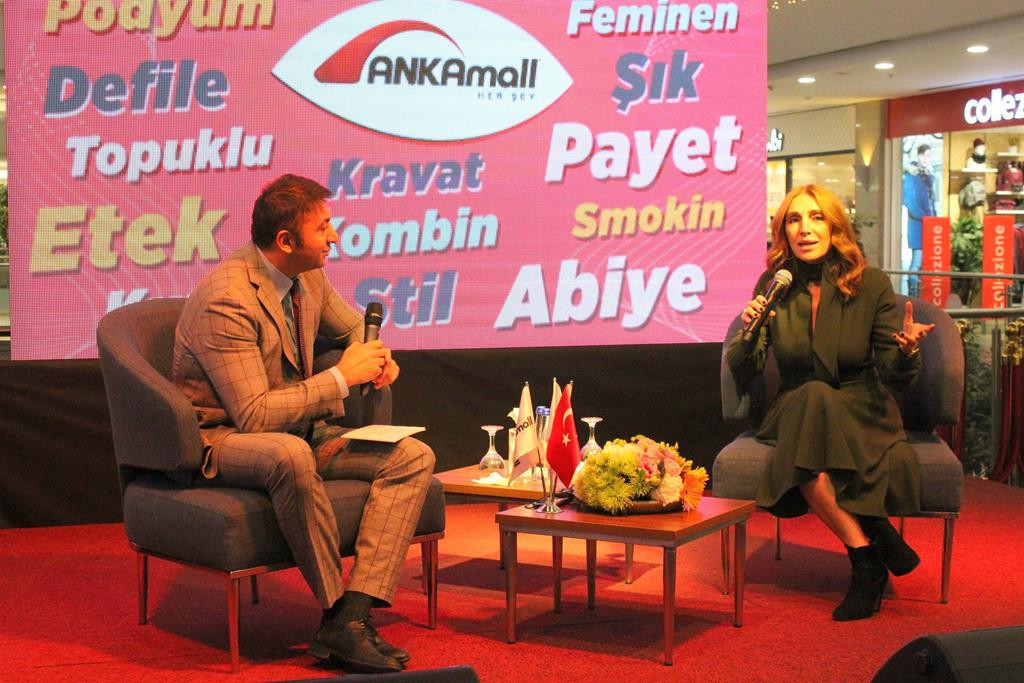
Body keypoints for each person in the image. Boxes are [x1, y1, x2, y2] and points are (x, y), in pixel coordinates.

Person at [172, 173, 435, 673]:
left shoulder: (306, 276)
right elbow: (253, 414)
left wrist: (378, 358)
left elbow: (354, 328)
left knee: (412, 456)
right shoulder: (227, 299)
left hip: (298, 429)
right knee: (288, 453)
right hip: (225, 439)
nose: (335, 236)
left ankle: (351, 616)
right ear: (286, 241)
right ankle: (336, 613)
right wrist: (341, 377)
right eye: (323, 228)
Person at [726, 184, 934, 622]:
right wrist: (749, 331)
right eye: (794, 219)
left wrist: (908, 351)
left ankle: (868, 555)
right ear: (783, 232)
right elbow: (746, 370)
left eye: (816, 217)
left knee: (812, 442)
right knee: (812, 395)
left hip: (860, 407)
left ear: (835, 226)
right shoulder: (775, 285)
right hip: (795, 404)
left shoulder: (871, 284)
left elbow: (893, 372)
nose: (805, 229)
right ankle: (870, 544)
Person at [902, 144, 936, 297]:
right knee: (917, 261)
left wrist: (934, 222)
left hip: (929, 226)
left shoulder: (928, 176)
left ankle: (918, 296)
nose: (926, 159)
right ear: (918, 156)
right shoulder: (912, 175)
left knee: (923, 263)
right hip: (918, 226)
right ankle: (912, 296)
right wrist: (924, 218)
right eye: (924, 155)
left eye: (929, 155)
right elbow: (909, 200)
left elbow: (931, 202)